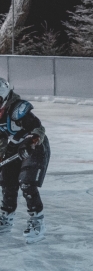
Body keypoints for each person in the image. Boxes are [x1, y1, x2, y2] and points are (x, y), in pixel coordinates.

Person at [0, 78, 50, 243]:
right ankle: (6, 218)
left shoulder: (17, 109)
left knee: (26, 182)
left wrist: (30, 140)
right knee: (7, 182)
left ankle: (37, 220)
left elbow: (38, 128)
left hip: (35, 149)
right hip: (12, 151)